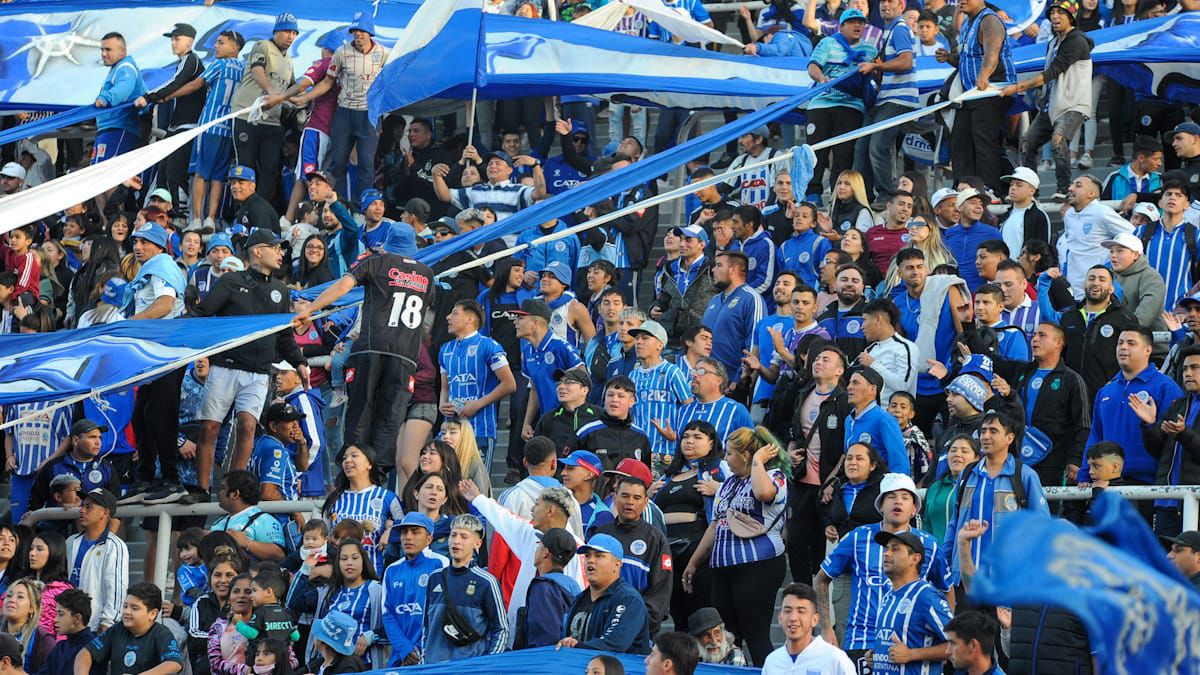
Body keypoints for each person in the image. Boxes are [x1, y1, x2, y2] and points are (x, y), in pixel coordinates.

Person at [296, 220, 435, 475]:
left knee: (361, 410)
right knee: (390, 415)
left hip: (371, 347)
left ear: (388, 244)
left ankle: (353, 471)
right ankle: (378, 473)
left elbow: (342, 286)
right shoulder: (427, 274)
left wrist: (311, 309)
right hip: (405, 355)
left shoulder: (375, 261)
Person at [189, 229, 308, 494]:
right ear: (257, 251)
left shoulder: (281, 290)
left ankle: (234, 488)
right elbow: (204, 313)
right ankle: (201, 487)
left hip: (258, 371)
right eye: (275, 247)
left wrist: (300, 362)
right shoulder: (231, 281)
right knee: (209, 427)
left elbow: (284, 334)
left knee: (248, 425)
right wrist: (179, 321)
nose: (280, 254)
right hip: (225, 365)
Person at [817, 472, 947, 667]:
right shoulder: (858, 536)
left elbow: (946, 589)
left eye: (905, 497)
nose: (898, 502)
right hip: (862, 639)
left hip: (910, 641)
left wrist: (943, 635)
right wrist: (826, 628)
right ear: (880, 506)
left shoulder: (929, 544)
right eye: (891, 496)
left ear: (914, 509)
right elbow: (821, 578)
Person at [682, 427, 787, 666]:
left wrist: (759, 461)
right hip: (722, 567)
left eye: (730, 454)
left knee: (756, 634)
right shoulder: (728, 483)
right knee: (726, 640)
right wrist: (694, 562)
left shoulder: (774, 475)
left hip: (757, 565)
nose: (726, 458)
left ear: (747, 455)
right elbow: (715, 524)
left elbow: (762, 493)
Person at [944, 413, 1050, 591]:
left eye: (993, 431)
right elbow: (955, 524)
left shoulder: (1024, 475)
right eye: (983, 431)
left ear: (1009, 438)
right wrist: (946, 563)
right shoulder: (967, 474)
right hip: (966, 580)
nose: (985, 436)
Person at [1005, 0, 1094, 200]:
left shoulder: (1077, 40)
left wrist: (1018, 87)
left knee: (1058, 140)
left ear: (1071, 16)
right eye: (1052, 12)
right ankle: (1031, 191)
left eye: (1060, 13)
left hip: (1074, 105)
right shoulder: (1053, 42)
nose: (1055, 16)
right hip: (1052, 104)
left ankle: (1064, 190)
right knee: (1027, 142)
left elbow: (1053, 71)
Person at [937, 0, 1014, 195]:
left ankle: (989, 189)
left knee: (983, 140)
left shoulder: (989, 20)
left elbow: (992, 52)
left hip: (992, 89)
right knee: (960, 139)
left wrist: (984, 75)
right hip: (971, 94)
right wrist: (948, 57)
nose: (961, 1)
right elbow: (965, 59)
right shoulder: (966, 24)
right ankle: (963, 187)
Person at [1041, 264, 1138, 407]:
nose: (1096, 282)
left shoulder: (1124, 318)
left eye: (1102, 279)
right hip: (1069, 395)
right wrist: (1044, 283)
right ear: (1084, 284)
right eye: (1091, 278)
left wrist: (1118, 384)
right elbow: (1047, 316)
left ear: (1112, 288)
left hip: (1108, 396)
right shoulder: (1070, 315)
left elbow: (1134, 356)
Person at [805, 9, 878, 200]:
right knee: (815, 152)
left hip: (851, 106)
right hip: (821, 103)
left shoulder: (870, 50)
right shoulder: (828, 42)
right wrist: (821, 77)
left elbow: (878, 74)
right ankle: (813, 193)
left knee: (843, 154)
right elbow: (813, 66)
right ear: (842, 26)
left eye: (861, 23)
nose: (857, 26)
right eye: (852, 22)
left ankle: (838, 196)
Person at [1010, 322, 1091, 487]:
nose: (1035, 339)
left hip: (1054, 463)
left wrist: (1076, 460)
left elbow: (1083, 425)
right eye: (1034, 335)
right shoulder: (1023, 372)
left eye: (1042, 335)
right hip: (1018, 459)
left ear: (1058, 343)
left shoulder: (1072, 380)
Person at [439, 299, 517, 469]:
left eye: (454, 313)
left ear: (470, 319)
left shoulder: (489, 345)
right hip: (450, 432)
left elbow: (510, 384)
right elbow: (445, 386)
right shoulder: (445, 349)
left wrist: (477, 404)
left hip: (480, 429)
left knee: (476, 488)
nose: (447, 317)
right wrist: (442, 402)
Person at [592, 470, 671, 637]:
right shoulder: (601, 534)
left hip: (638, 628)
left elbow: (660, 592)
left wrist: (639, 621)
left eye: (637, 498)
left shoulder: (655, 539)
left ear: (646, 502)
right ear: (615, 499)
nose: (630, 502)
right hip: (600, 623)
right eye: (625, 496)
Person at [229, 13, 299, 202]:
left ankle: (258, 211)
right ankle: (241, 216)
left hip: (272, 121)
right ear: (276, 31)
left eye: (294, 32)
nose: (290, 36)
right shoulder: (262, 46)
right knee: (245, 168)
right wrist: (270, 91)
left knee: (270, 169)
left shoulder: (290, 61)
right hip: (247, 116)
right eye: (286, 31)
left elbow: (293, 89)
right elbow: (257, 69)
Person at [854, 0, 918, 202]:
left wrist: (875, 67)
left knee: (877, 146)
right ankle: (864, 195)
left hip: (900, 99)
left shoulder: (899, 28)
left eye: (892, 1)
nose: (885, 5)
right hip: (885, 99)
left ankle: (887, 194)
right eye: (883, 1)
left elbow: (906, 61)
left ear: (902, 6)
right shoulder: (887, 31)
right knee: (862, 146)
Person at [420, 515, 507, 663]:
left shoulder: (486, 582)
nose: (456, 541)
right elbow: (426, 627)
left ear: (477, 543)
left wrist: (489, 664)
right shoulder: (435, 578)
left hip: (470, 668)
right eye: (453, 535)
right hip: (433, 667)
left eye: (464, 536)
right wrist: (424, 661)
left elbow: (501, 629)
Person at [288, 540, 387, 668]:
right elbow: (293, 602)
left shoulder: (378, 591)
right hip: (329, 665)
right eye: (344, 559)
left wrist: (371, 636)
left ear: (364, 561)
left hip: (363, 665)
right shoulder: (327, 591)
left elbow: (395, 626)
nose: (349, 562)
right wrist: (306, 569)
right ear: (337, 564)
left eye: (355, 558)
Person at [870, 530, 951, 674]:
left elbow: (959, 643)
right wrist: (877, 656)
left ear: (914, 559)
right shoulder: (887, 597)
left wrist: (912, 654)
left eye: (895, 549)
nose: (886, 554)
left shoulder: (926, 596)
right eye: (886, 549)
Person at [558, 534, 651, 655]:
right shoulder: (580, 599)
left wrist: (576, 646)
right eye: (587, 556)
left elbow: (614, 643)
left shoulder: (628, 599)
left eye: (599, 556)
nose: (591, 560)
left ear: (617, 564)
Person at [380, 512, 447, 666]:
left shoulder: (440, 564)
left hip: (432, 655)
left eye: (416, 532)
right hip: (401, 656)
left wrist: (419, 649)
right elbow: (387, 614)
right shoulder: (392, 570)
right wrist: (405, 649)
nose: (408, 537)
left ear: (429, 539)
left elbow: (443, 611)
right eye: (404, 532)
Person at [73, 582, 184, 675]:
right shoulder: (117, 630)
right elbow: (85, 653)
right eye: (125, 606)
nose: (126, 612)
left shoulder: (161, 634)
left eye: (134, 608)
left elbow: (174, 664)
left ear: (152, 614)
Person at [1058, 175, 1134, 299]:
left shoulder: (1102, 212)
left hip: (1097, 288)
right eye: (1071, 184)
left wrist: (1112, 264)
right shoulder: (1069, 215)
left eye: (1078, 185)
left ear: (1092, 194)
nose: (1070, 188)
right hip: (1073, 286)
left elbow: (1133, 234)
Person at [702, 251, 767, 389]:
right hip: (705, 378)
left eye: (719, 265)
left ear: (733, 270)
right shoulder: (714, 300)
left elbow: (755, 342)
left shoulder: (751, 298)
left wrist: (739, 378)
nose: (713, 269)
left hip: (731, 382)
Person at [66, 488, 127, 633]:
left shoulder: (115, 546)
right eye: (82, 506)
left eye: (88, 507)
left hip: (94, 627)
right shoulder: (70, 542)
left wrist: (107, 624)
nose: (82, 510)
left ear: (105, 513)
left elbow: (116, 588)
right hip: (67, 625)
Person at [761, 583, 856, 674]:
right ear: (780, 618)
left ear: (815, 619)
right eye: (788, 611)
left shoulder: (835, 659)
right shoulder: (772, 662)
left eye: (801, 611)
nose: (793, 618)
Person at [651, 225, 716, 353]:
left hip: (699, 338)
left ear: (702, 245)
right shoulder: (669, 267)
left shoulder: (712, 268)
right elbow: (663, 297)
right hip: (671, 338)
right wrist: (654, 309)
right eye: (681, 239)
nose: (682, 244)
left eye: (688, 240)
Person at [1137, 181, 1199, 312]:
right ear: (1160, 202)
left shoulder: (1195, 235)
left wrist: (1195, 295)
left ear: (1187, 205)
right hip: (1143, 310)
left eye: (1179, 195)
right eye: (1168, 194)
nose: (1172, 198)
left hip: (1180, 313)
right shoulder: (1141, 232)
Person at [91, 32, 146, 170]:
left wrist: (105, 98)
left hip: (119, 129)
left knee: (106, 178)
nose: (103, 54)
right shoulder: (117, 68)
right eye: (102, 49)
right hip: (110, 129)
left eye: (108, 49)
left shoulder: (126, 67)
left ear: (122, 51)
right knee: (97, 179)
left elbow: (124, 88)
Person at [575, 377, 652, 471]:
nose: (614, 399)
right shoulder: (586, 432)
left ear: (631, 401)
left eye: (621, 396)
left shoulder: (641, 437)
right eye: (610, 395)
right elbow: (571, 467)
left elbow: (645, 473)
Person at [210, 470, 286, 563]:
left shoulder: (264, 520)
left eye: (223, 488)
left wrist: (247, 543)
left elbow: (279, 554)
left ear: (235, 494)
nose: (219, 493)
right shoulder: (219, 522)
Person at [845, 368, 910, 475]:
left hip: (877, 487)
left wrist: (893, 489)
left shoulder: (884, 420)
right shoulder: (849, 420)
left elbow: (899, 463)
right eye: (850, 383)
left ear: (872, 389)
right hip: (854, 486)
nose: (849, 387)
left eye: (855, 383)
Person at [944, 189, 1002, 293]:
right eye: (973, 202)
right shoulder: (949, 234)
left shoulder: (992, 233)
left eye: (981, 204)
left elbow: (1003, 265)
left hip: (982, 295)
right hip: (954, 293)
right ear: (959, 207)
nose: (979, 207)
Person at [860, 299, 919, 401]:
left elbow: (903, 386)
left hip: (892, 414)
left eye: (864, 320)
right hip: (870, 412)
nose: (862, 327)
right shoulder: (870, 349)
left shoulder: (906, 347)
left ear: (878, 319)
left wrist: (874, 364)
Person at [534, 370, 601, 457]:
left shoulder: (599, 416)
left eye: (568, 383)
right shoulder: (549, 419)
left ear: (584, 390)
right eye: (559, 383)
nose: (561, 387)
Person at [997, 167, 1052, 262]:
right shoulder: (1005, 216)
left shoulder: (1038, 216)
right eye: (1011, 184)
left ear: (1032, 190)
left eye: (1019, 185)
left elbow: (1042, 250)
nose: (1013, 188)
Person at [39, 588, 94, 675]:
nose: (55, 619)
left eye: (61, 614)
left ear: (77, 618)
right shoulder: (60, 647)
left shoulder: (93, 648)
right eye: (56, 614)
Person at [227, 165, 281, 235]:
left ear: (252, 186)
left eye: (241, 183)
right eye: (233, 183)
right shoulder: (246, 204)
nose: (235, 186)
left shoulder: (258, 207)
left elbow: (265, 239)